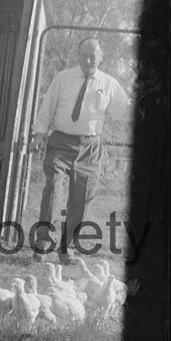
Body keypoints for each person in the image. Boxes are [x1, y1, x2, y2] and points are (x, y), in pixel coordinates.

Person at [30, 37, 129, 264]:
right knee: (54, 191)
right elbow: (48, 107)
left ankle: (67, 249)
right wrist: (38, 135)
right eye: (84, 55)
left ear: (101, 57)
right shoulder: (63, 78)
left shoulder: (109, 83)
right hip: (61, 142)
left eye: (93, 56)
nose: (88, 60)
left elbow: (124, 112)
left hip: (91, 148)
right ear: (78, 55)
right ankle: (43, 244)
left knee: (82, 200)